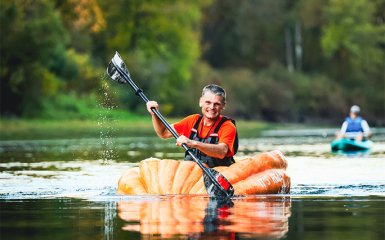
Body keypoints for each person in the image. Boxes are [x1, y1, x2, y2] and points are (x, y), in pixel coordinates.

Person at [146, 84, 237, 168]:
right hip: (192, 175)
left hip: (218, 176)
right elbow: (163, 132)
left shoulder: (227, 126)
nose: (212, 107)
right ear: (201, 102)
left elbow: (222, 151)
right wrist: (155, 114)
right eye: (208, 102)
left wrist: (194, 143)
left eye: (216, 104)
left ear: (223, 105)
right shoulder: (192, 121)